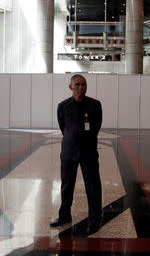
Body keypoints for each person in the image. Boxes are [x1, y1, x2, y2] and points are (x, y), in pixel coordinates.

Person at [50, 74, 103, 235]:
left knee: (93, 187)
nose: (81, 88)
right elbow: (63, 127)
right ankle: (64, 216)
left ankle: (94, 220)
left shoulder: (95, 105)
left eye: (84, 85)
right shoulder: (63, 106)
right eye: (78, 85)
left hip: (89, 152)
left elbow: (96, 127)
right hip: (68, 152)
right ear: (71, 87)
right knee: (67, 186)